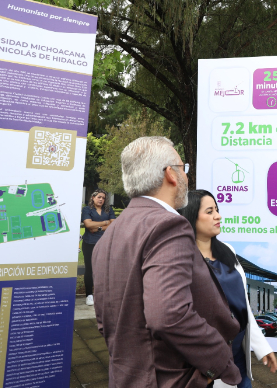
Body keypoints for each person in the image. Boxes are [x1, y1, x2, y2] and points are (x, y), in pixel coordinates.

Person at [92, 137, 241, 388]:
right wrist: (220, 362)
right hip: (173, 379)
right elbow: (169, 315)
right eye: (183, 168)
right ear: (171, 174)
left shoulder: (111, 233)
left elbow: (104, 318)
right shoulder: (168, 225)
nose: (186, 176)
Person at [179, 190, 277, 388]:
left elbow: (243, 305)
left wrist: (261, 346)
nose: (218, 216)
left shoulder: (228, 251)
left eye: (217, 209)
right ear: (191, 216)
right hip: (209, 360)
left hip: (238, 354)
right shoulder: (182, 258)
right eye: (209, 211)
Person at [80, 189, 115, 306]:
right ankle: (89, 295)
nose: (101, 199)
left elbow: (114, 224)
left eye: (103, 198)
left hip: (106, 243)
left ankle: (102, 294)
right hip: (89, 243)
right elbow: (88, 224)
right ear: (93, 197)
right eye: (99, 197)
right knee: (90, 269)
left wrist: (98, 228)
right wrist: (105, 223)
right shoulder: (87, 209)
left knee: (105, 268)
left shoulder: (108, 209)